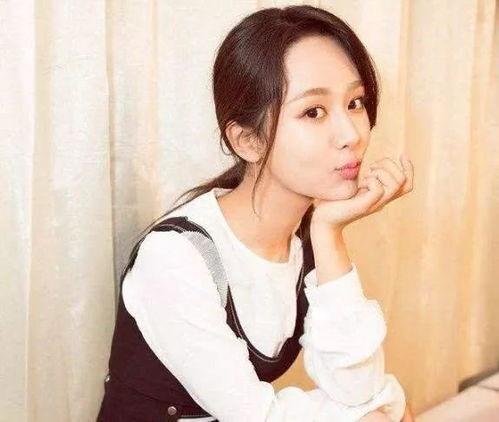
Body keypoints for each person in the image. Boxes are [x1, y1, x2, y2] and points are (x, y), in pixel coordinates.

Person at [97, 5, 416, 422]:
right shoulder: (176, 256)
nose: (352, 134)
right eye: (314, 112)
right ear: (248, 140)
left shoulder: (303, 239)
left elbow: (358, 388)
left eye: (355, 102)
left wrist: (328, 232)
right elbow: (259, 416)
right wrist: (385, 405)